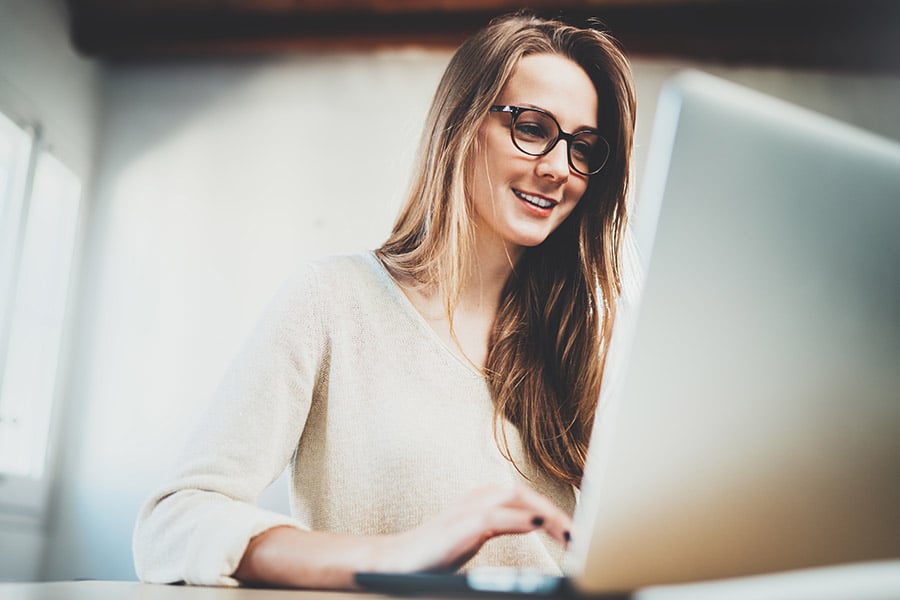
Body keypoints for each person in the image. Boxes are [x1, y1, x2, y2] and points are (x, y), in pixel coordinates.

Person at [132, 11, 636, 590]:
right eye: (532, 127)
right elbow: (173, 524)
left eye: (583, 147)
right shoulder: (332, 302)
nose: (556, 169)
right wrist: (397, 554)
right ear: (461, 124)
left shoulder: (582, 341)